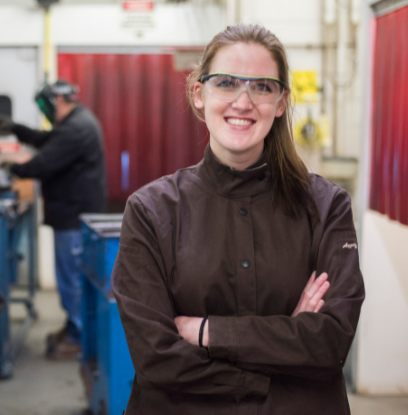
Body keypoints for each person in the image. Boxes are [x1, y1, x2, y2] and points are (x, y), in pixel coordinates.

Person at [111, 24, 364, 414]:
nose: (243, 102)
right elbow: (156, 356)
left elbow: (330, 341)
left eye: (262, 87)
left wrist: (206, 332)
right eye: (227, 83)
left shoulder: (327, 206)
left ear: (281, 102)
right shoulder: (151, 211)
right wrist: (280, 352)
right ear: (199, 94)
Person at [5, 80, 107, 359]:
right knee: (73, 277)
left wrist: (11, 167)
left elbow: (43, 162)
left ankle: (78, 337)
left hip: (73, 217)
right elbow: (45, 140)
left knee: (70, 279)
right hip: (74, 214)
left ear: (59, 101)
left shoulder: (77, 128)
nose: (46, 111)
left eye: (45, 105)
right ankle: (75, 327)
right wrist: (16, 129)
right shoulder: (75, 122)